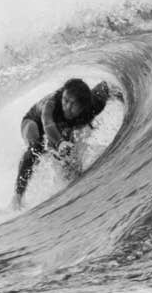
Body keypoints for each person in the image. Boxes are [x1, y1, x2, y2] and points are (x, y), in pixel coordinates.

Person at [12, 78, 122, 210]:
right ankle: (17, 197)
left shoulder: (93, 105)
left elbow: (106, 87)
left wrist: (123, 97)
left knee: (72, 166)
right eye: (65, 100)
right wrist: (60, 142)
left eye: (72, 104)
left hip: (61, 127)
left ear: (82, 106)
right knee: (36, 147)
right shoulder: (51, 104)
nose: (66, 107)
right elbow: (47, 124)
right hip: (34, 123)